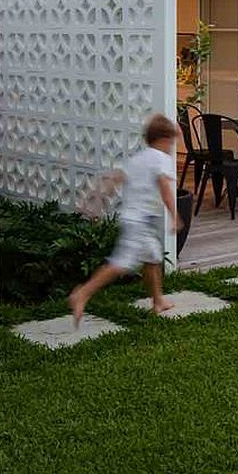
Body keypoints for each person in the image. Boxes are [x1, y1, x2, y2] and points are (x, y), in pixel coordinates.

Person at [69, 113, 181, 324]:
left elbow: (114, 179)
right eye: (172, 142)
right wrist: (175, 216)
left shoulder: (138, 159)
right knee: (121, 263)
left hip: (135, 220)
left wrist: (96, 202)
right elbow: (166, 190)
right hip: (139, 222)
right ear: (165, 140)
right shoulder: (161, 159)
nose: (172, 147)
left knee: (153, 258)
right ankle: (82, 293)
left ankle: (158, 301)